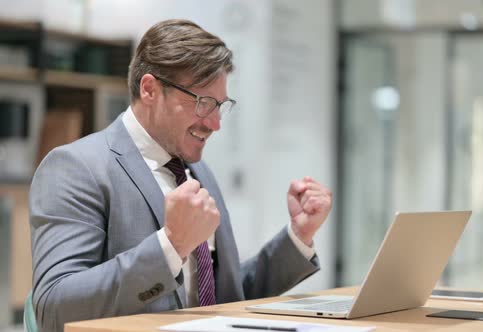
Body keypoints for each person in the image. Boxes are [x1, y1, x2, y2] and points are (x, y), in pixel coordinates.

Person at [29, 19, 332, 332]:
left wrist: (298, 236)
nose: (215, 123)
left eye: (220, 105)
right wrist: (170, 246)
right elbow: (54, 308)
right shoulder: (76, 167)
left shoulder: (197, 173)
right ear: (149, 89)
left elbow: (222, 298)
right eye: (203, 103)